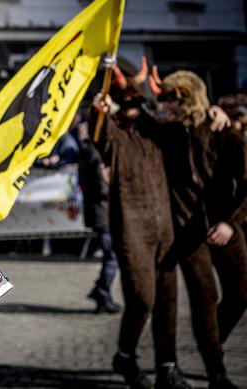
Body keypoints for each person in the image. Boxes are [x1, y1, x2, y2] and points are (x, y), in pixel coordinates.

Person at [92, 63, 190, 389]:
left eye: (137, 99)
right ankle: (125, 354)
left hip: (166, 229)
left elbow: (185, 124)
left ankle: (167, 366)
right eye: (127, 99)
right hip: (132, 229)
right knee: (143, 299)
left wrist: (208, 111)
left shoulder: (156, 129)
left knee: (167, 299)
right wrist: (101, 110)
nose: (133, 105)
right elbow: (100, 135)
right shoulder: (115, 135)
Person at [151, 70, 247, 389]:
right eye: (166, 99)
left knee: (241, 293)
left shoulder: (224, 132)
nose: (167, 105)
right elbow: (137, 117)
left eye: (174, 99)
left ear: (190, 98)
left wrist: (230, 223)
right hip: (189, 234)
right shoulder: (169, 132)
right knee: (205, 299)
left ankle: (212, 344)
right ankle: (217, 373)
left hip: (227, 226)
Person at [77, 122, 119, 314]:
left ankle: (101, 293)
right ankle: (102, 293)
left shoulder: (88, 152)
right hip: (105, 213)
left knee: (111, 256)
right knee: (112, 257)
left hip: (99, 213)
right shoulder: (96, 155)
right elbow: (102, 188)